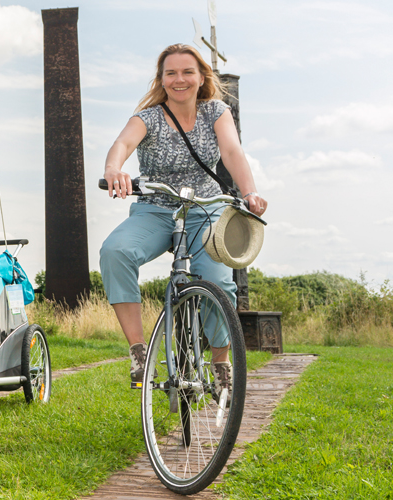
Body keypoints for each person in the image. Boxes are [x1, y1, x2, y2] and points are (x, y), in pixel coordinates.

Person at [99, 44, 268, 390]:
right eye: (171, 73)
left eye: (187, 72)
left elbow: (232, 152)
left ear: (201, 76)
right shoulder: (147, 118)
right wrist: (114, 169)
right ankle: (139, 352)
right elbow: (122, 145)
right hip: (156, 209)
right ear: (161, 79)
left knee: (219, 283)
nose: (180, 79)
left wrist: (249, 191)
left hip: (207, 210)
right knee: (115, 251)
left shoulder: (216, 112)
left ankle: (220, 359)